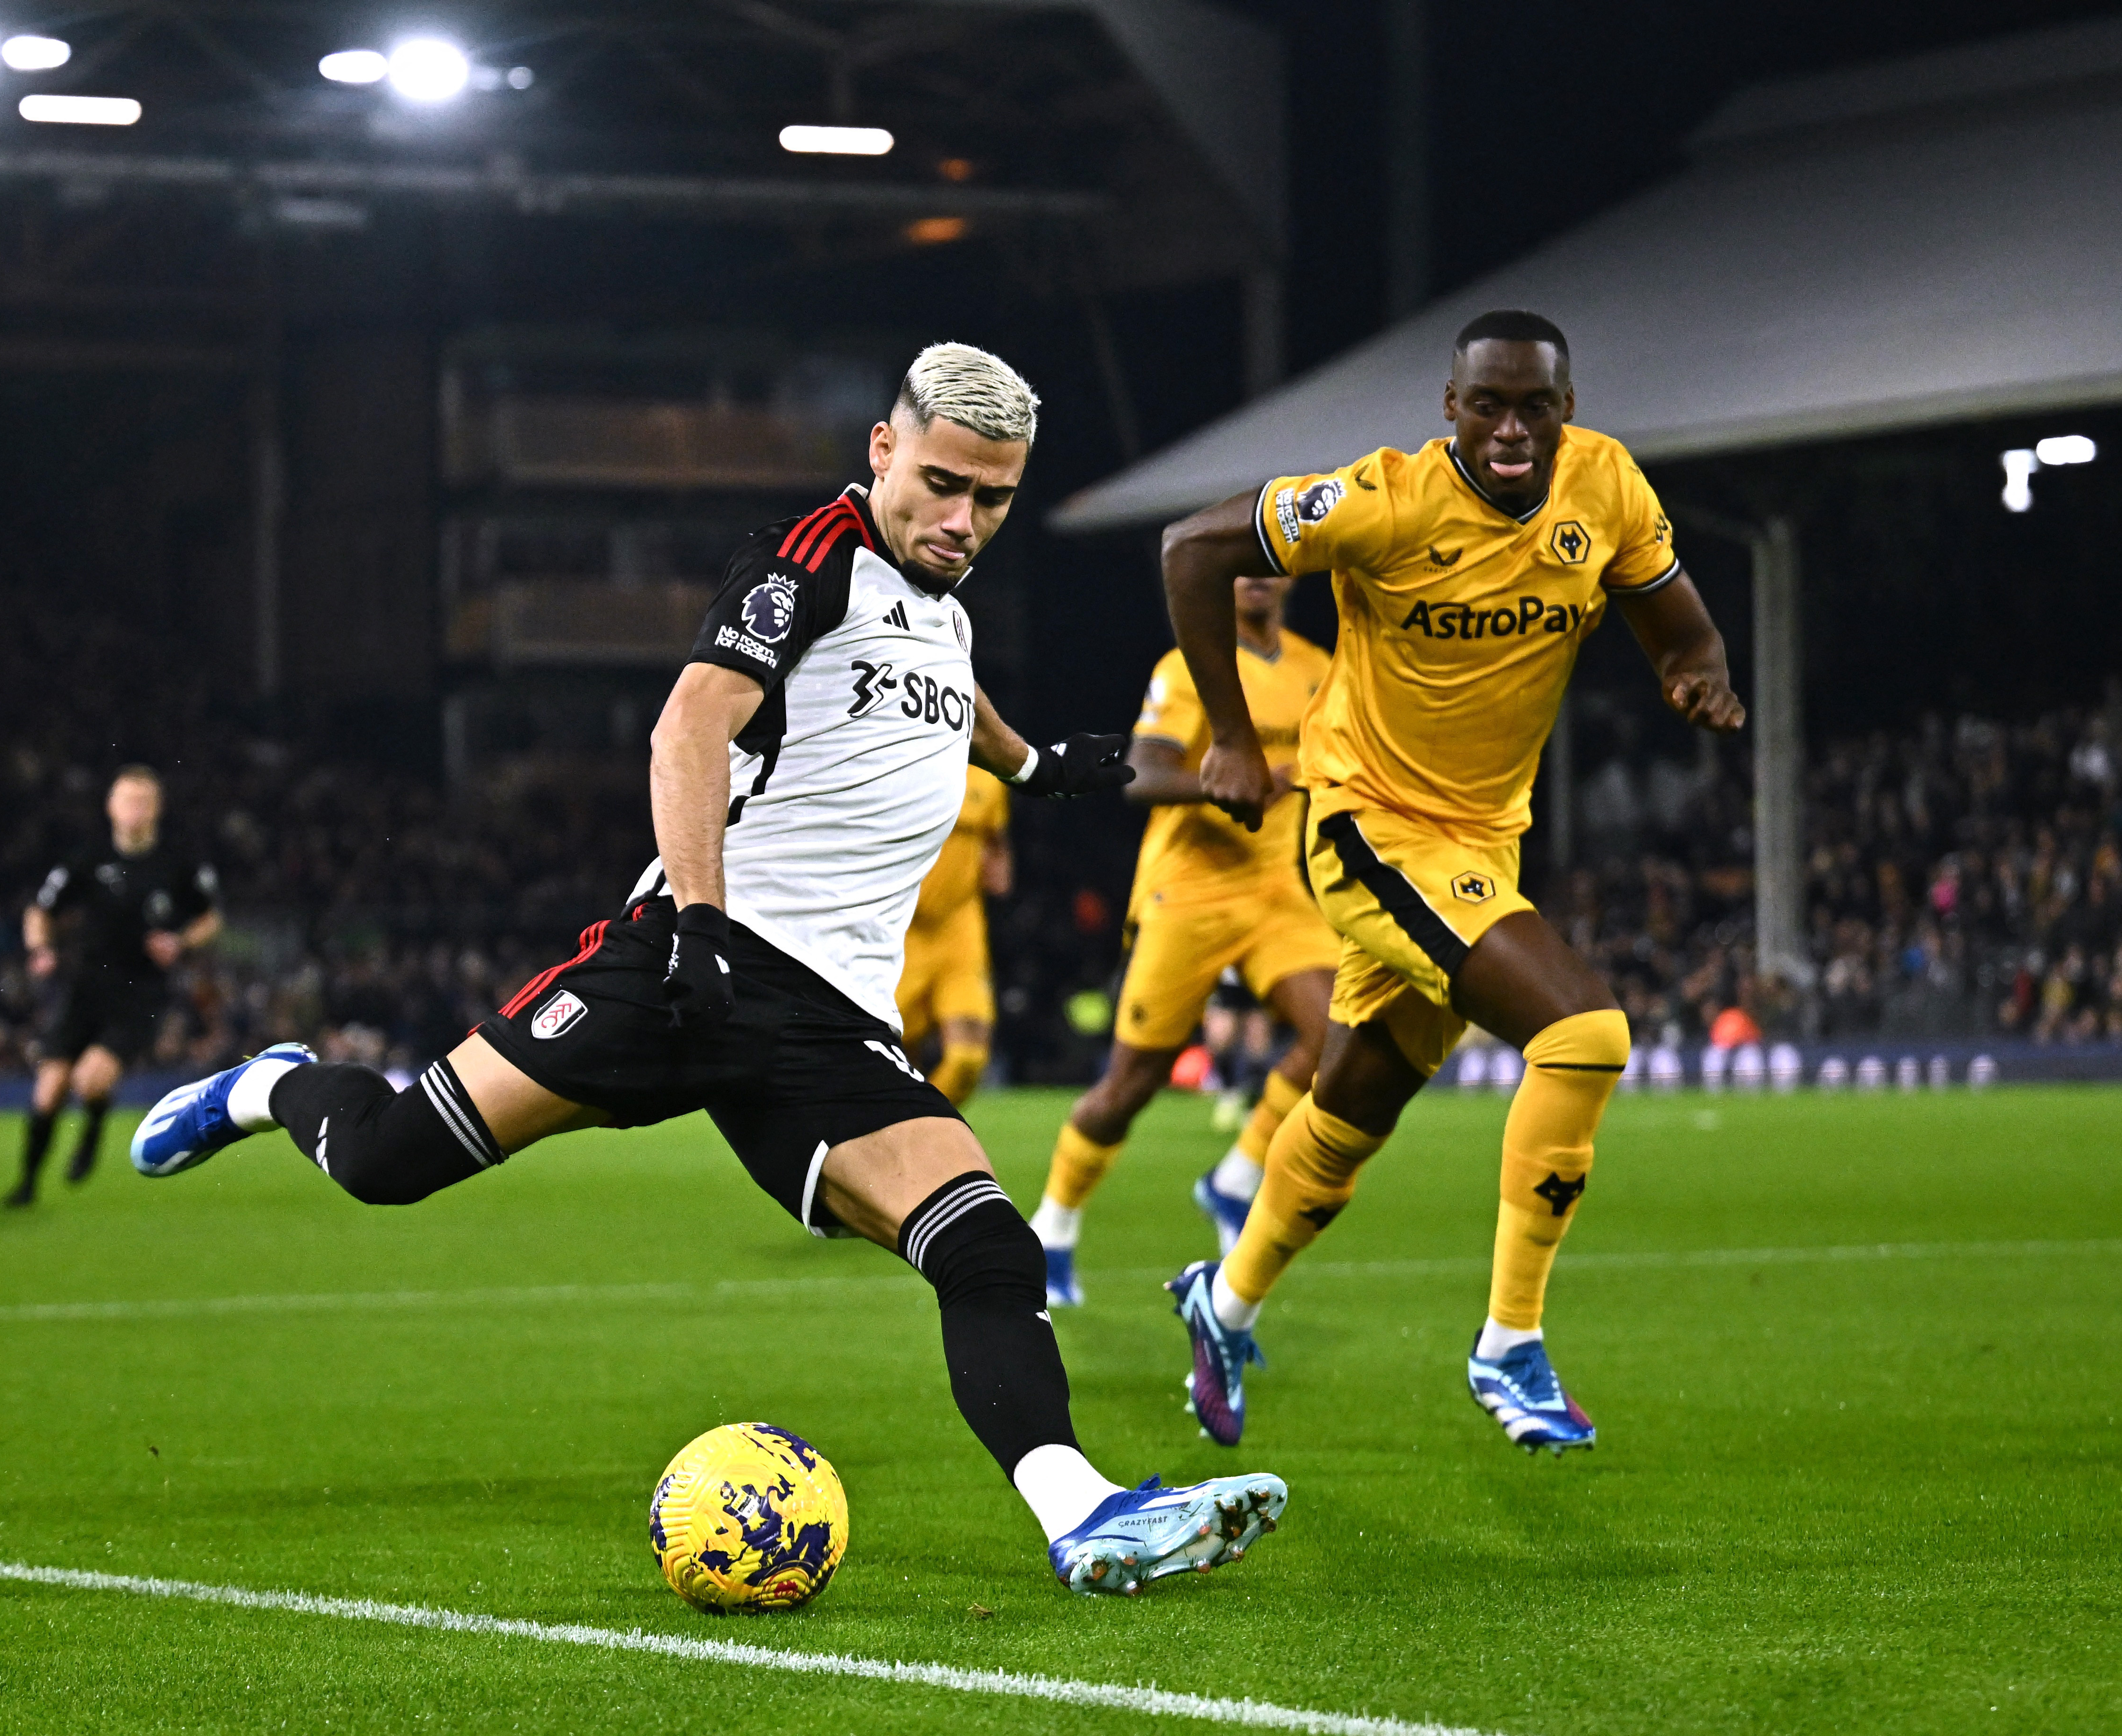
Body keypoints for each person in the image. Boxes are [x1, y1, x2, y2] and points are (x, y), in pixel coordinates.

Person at [131, 344, 1287, 1595]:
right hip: (686, 964)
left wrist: (1203, 767)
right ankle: (270, 1086)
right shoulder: (808, 561)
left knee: (986, 1246)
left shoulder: (946, 623)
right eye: (943, 483)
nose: (963, 520)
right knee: (383, 1160)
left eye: (994, 497)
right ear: (882, 450)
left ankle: (1084, 1513)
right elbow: (689, 724)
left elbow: (1025, 758)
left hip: (824, 1024)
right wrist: (695, 924)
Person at [1157, 310, 1745, 1453]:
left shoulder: (1608, 489)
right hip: (1368, 824)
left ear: (1568, 410)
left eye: (1536, 405)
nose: (1514, 427)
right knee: (1586, 1030)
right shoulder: (1385, 502)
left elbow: (1686, 631)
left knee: (1350, 1117)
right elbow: (1192, 548)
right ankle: (1510, 1343)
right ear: (1452, 409)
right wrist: (1229, 735)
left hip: (1482, 845)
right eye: (1490, 404)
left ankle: (1221, 1306)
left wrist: (1695, 675)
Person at [1028, 572, 1336, 1307]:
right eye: (1238, 565)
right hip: (1187, 894)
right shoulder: (1188, 665)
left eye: (1268, 561)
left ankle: (1236, 1179)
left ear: (1290, 573)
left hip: (1278, 892)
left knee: (1339, 1038)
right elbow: (1143, 774)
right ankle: (1053, 1226)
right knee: (1128, 1088)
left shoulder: (1318, 670)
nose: (1257, 576)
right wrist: (1233, 781)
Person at [8, 765, 219, 1208]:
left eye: (144, 802)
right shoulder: (87, 859)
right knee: (49, 1089)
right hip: (84, 985)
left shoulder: (178, 863)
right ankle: (26, 1185)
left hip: (139, 991)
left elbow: (211, 919)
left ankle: (92, 1131)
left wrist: (179, 941)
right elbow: (39, 911)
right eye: (127, 801)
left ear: (157, 809)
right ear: (111, 807)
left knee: (90, 1078)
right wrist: (41, 948)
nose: (135, 810)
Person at [895, 765, 1013, 1104]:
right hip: (901, 931)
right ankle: (909, 1134)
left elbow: (997, 843)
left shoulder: (988, 779)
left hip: (961, 931)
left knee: (968, 1058)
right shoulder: (900, 765)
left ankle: (925, 1125)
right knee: (894, 1059)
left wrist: (997, 869)